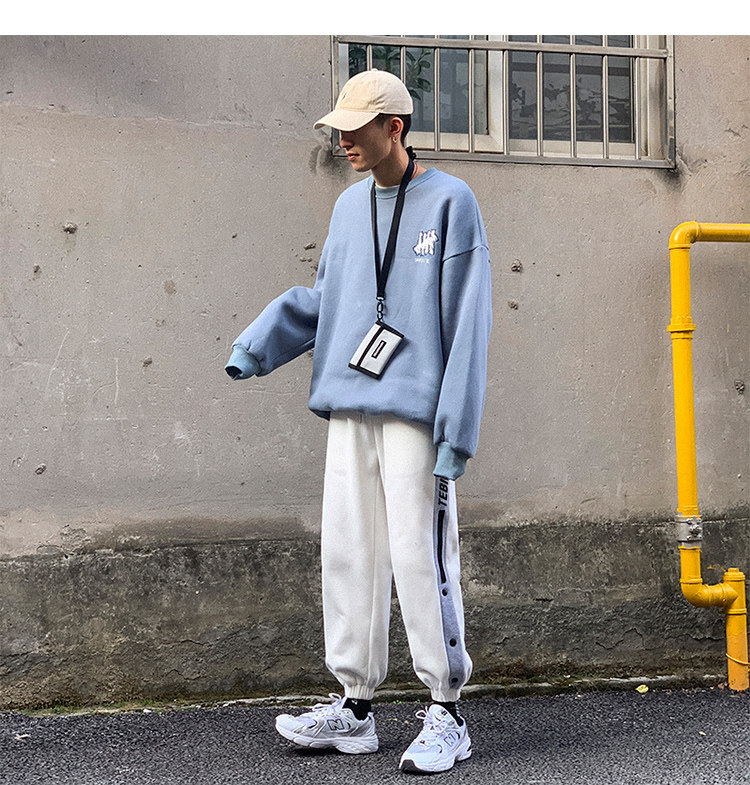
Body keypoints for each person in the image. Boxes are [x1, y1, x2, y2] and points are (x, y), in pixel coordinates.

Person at [225, 68, 492, 774]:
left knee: (419, 553)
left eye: (355, 129)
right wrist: (258, 344)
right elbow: (328, 300)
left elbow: (468, 321)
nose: (342, 140)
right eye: (338, 129)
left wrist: (456, 431)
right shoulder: (348, 208)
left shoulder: (452, 202)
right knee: (348, 552)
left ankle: (447, 710)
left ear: (393, 127)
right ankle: (355, 708)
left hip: (415, 415)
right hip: (350, 402)